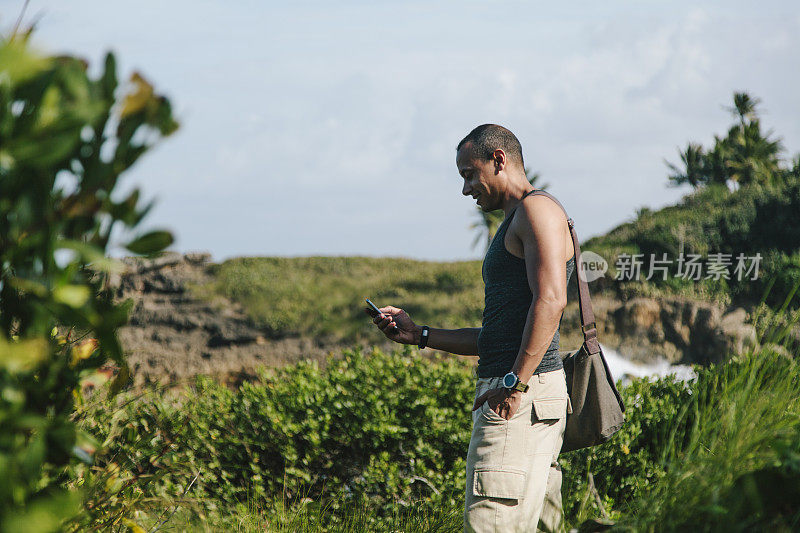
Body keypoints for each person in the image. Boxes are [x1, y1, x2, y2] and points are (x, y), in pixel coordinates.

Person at [365, 124, 575, 532]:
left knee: (489, 524)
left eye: (468, 174)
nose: (465, 189)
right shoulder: (519, 219)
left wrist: (514, 383)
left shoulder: (536, 211)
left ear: (498, 160)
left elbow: (551, 300)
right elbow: (494, 337)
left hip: (521, 397)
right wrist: (419, 335)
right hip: (523, 392)